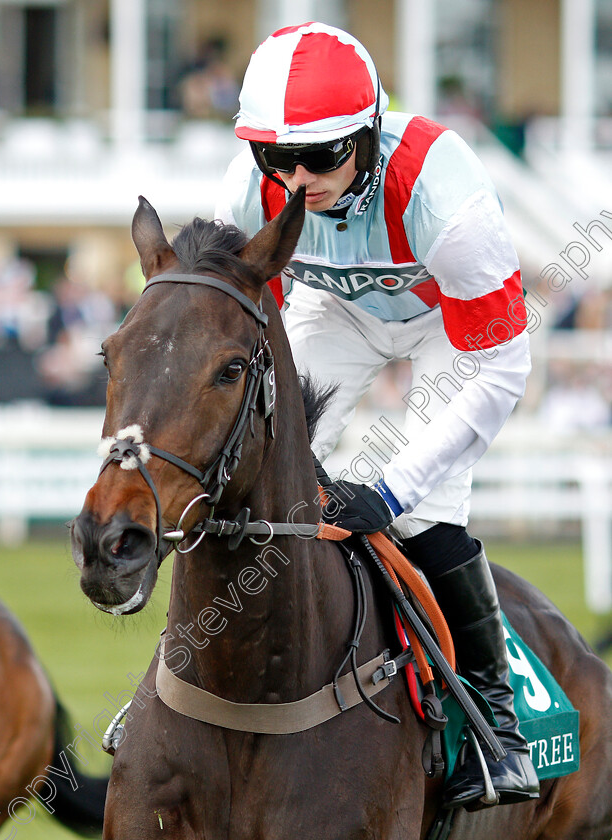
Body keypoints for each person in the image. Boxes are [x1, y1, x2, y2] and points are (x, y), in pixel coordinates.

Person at [214, 21, 539, 811]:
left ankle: (497, 722)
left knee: (421, 511)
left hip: (449, 329)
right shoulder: (246, 187)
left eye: (323, 156)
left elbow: (503, 367)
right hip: (336, 310)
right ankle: (198, 673)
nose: (297, 178)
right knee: (257, 477)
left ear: (366, 134)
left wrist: (388, 494)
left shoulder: (441, 193)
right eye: (276, 158)